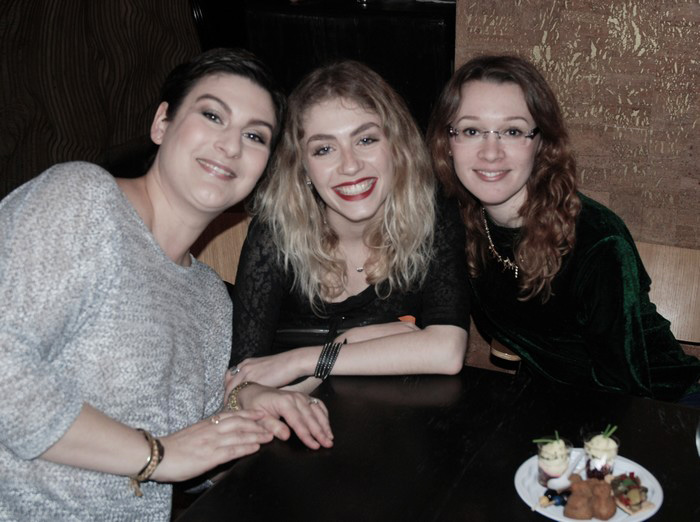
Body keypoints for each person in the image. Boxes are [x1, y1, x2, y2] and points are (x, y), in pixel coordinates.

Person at [0, 48, 333, 521]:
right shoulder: (83, 200)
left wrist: (248, 410)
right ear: (161, 123)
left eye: (254, 136)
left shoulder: (210, 299)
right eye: (212, 115)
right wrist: (158, 455)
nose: (230, 146)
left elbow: (190, 462)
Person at [426, 54, 700, 403]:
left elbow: (623, 386)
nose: (490, 152)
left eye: (512, 131)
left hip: (664, 406)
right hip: (554, 401)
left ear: (542, 142)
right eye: (471, 131)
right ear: (447, 143)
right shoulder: (460, 220)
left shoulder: (596, 240)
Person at [228, 60, 469, 390]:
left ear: (397, 146)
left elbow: (447, 351)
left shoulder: (433, 215)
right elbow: (244, 377)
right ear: (302, 167)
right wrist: (355, 345)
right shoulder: (276, 232)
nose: (350, 165)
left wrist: (309, 359)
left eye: (366, 140)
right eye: (324, 149)